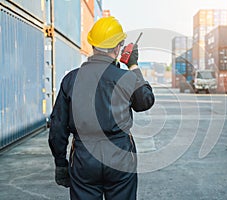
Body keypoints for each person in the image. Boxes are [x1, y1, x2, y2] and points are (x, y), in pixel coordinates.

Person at [48, 16, 155, 200]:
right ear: (117, 47)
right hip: (120, 155)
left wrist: (60, 163)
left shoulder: (71, 79)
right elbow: (144, 101)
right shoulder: (125, 77)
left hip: (84, 157)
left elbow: (58, 126)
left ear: (93, 46)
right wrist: (133, 65)